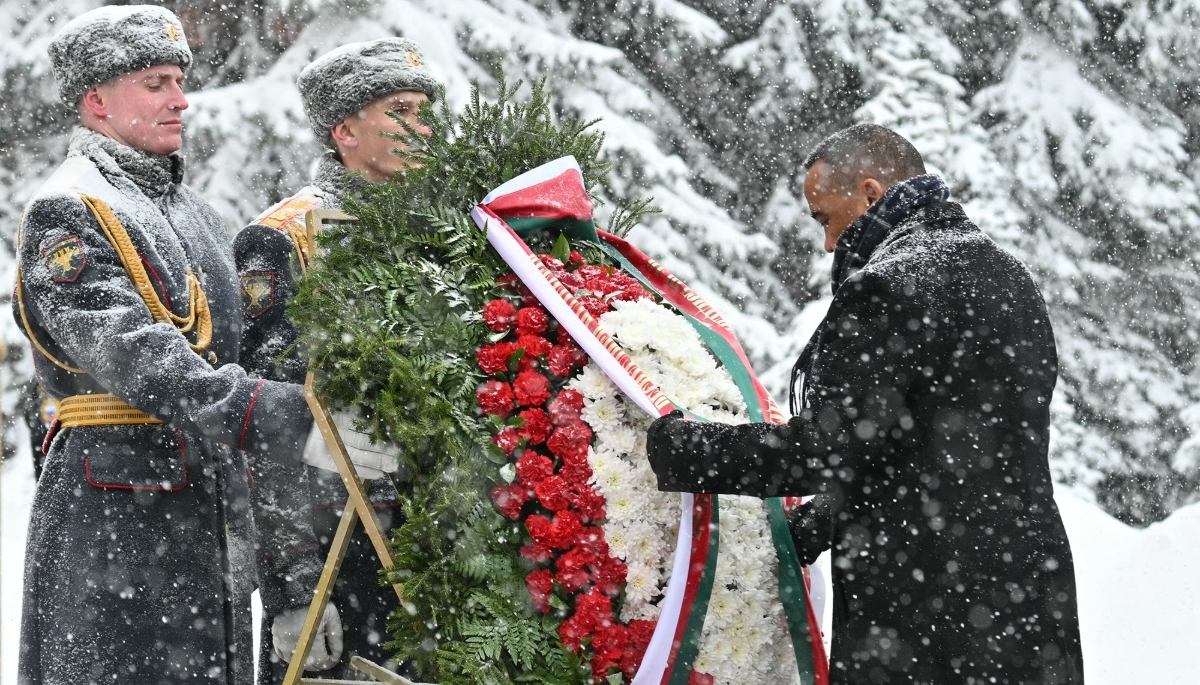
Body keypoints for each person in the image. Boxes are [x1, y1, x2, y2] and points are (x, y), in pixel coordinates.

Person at [646, 124, 1084, 684]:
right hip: (1027, 597)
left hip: (924, 612)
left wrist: (686, 449)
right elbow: (941, 444)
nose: (829, 243)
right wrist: (824, 520)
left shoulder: (890, 283)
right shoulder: (1008, 276)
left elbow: (828, 445)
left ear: (872, 194)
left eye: (826, 218)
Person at [14, 7, 315, 683]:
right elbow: (132, 352)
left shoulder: (202, 216)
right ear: (96, 99)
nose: (180, 98)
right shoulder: (68, 209)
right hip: (115, 513)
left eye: (179, 79)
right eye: (155, 82)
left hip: (205, 510)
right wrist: (264, 410)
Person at [233, 37, 438, 680]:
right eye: (399, 109)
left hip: (439, 544)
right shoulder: (285, 236)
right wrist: (294, 589)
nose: (421, 125)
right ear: (344, 130)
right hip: (336, 545)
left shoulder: (449, 231)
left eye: (424, 108)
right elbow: (273, 431)